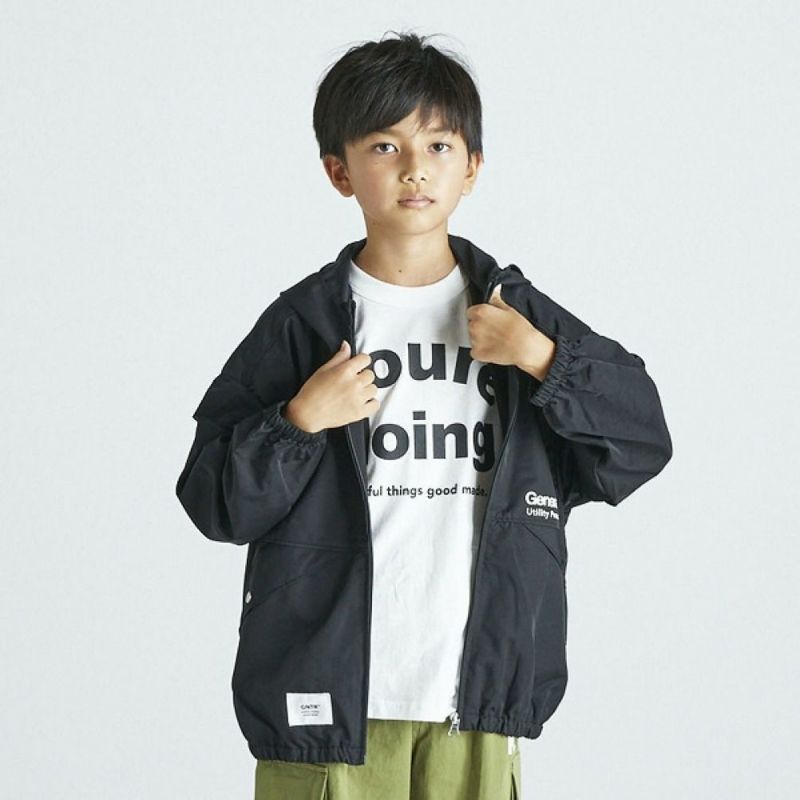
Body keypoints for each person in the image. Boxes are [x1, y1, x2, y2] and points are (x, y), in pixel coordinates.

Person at [175, 29, 673, 800]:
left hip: (473, 699)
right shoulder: (303, 326)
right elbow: (214, 502)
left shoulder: (516, 314)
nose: (414, 167)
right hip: (325, 702)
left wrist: (544, 358)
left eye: (438, 145)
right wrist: (299, 421)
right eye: (385, 145)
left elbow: (639, 442)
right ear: (339, 171)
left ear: (472, 166)